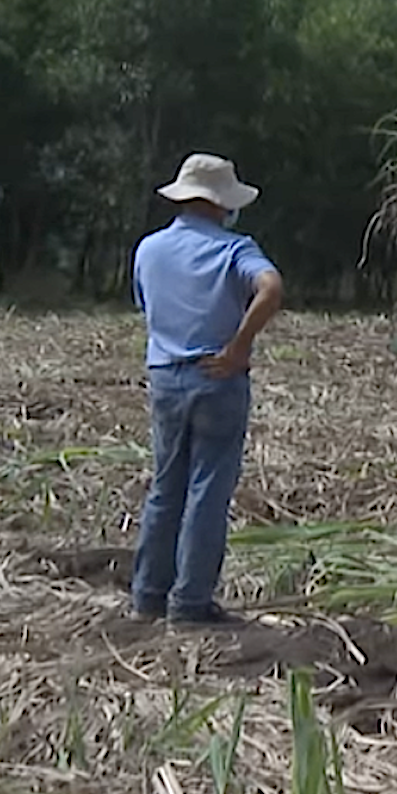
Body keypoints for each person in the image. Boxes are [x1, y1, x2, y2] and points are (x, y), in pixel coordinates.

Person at [128, 153, 284, 626]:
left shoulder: (148, 250)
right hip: (217, 377)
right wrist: (239, 346)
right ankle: (190, 605)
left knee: (165, 488)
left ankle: (147, 597)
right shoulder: (235, 249)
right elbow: (271, 288)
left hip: (165, 377)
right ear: (220, 204)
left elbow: (146, 307)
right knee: (208, 492)